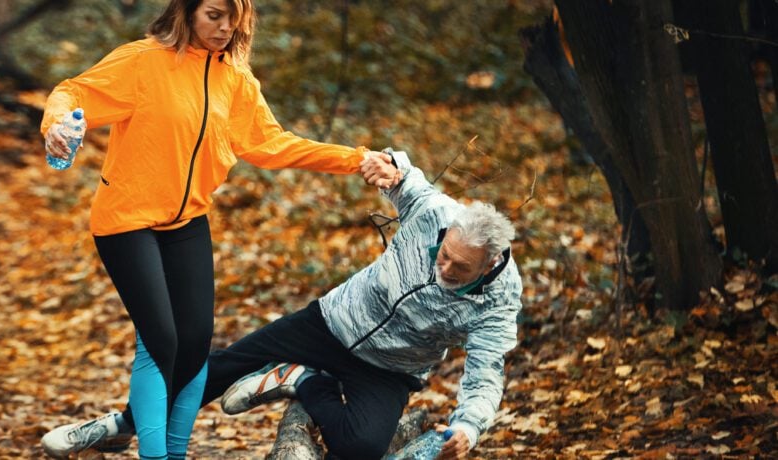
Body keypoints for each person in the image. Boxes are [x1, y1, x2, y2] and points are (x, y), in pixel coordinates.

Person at [38, 0, 398, 458]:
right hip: (126, 221)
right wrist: (56, 125)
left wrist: (355, 158)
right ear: (186, 12)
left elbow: (272, 144)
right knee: (161, 340)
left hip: (187, 221)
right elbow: (74, 92)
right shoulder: (142, 61)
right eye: (214, 14)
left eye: (235, 17)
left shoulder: (236, 80)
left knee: (194, 344)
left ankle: (175, 451)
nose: (226, 27)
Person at [203, 148, 522, 459]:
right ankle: (156, 434)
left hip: (391, 367)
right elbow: (404, 176)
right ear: (448, 230)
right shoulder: (435, 212)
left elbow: (487, 372)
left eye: (462, 268)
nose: (446, 269)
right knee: (221, 368)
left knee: (361, 448)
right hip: (334, 321)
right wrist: (391, 167)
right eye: (444, 254)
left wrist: (468, 426)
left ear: (489, 264)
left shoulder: (498, 301)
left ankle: (304, 379)